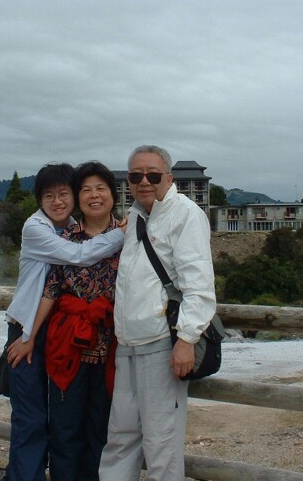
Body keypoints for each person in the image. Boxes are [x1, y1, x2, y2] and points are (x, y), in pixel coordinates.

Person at [98, 145, 217, 481]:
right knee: (120, 437)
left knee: (161, 443)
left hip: (163, 344)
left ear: (169, 178)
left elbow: (199, 286)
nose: (144, 182)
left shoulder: (186, 215)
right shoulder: (137, 215)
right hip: (128, 344)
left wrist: (186, 340)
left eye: (152, 175)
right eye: (136, 176)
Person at [3, 163, 125, 481]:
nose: (57, 201)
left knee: (96, 421)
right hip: (31, 327)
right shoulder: (40, 229)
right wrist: (28, 336)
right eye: (49, 196)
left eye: (64, 194)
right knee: (33, 413)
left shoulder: (69, 225)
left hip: (82, 335)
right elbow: (75, 259)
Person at [40, 161, 121, 481]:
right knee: (65, 429)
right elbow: (51, 289)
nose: (94, 195)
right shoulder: (64, 239)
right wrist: (29, 336)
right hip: (68, 348)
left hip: (113, 349)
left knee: (103, 430)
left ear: (113, 194)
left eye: (101, 188)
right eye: (86, 189)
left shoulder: (130, 236)